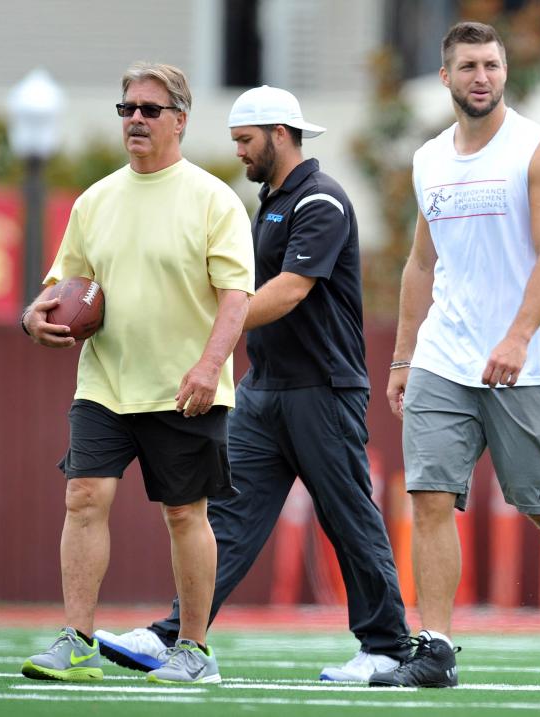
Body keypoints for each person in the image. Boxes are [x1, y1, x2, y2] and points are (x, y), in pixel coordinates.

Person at [94, 85, 410, 682]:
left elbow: (290, 290)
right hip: (265, 390)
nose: (238, 152)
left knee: (347, 517)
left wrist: (210, 337)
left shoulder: (322, 201)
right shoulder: (266, 203)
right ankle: (177, 640)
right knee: (226, 520)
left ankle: (388, 646)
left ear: (280, 134)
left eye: (244, 140)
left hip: (323, 388)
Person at [368, 22, 540, 689]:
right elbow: (421, 262)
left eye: (491, 64)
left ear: (505, 72)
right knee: (428, 495)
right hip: (442, 356)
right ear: (445, 77)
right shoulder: (428, 159)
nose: (480, 76)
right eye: (468, 66)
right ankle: (437, 647)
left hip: (527, 360)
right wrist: (403, 356)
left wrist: (516, 336)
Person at [19, 61, 255, 685]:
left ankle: (195, 650)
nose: (136, 121)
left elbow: (236, 296)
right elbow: (61, 286)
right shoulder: (95, 200)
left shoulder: (214, 198)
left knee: (184, 514)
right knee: (83, 497)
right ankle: (76, 641)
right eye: (127, 110)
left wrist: (210, 366)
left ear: (180, 119)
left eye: (150, 110)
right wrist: (33, 319)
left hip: (185, 388)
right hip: (104, 383)